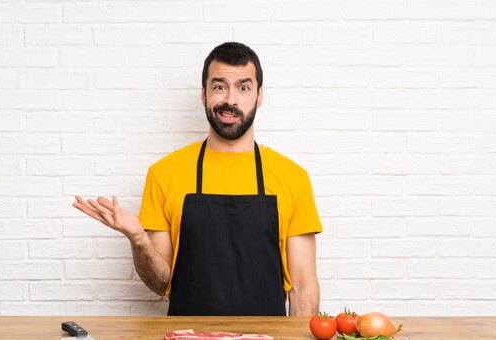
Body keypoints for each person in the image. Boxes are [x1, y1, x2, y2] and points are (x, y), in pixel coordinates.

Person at [73, 42, 322, 317]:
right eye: (219, 86)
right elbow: (160, 283)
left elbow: (302, 285)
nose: (230, 99)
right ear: (203, 95)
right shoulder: (165, 173)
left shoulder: (292, 177)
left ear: (259, 96)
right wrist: (138, 239)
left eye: (243, 87)